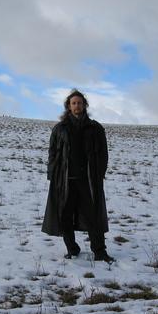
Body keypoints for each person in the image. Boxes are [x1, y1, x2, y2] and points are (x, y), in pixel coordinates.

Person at [41, 89, 115, 263]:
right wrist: (52, 174)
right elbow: (52, 153)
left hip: (88, 180)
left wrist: (99, 174)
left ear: (84, 105)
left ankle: (99, 251)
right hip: (65, 180)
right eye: (73, 103)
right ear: (68, 106)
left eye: (80, 103)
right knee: (65, 215)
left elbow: (103, 153)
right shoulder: (60, 129)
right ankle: (72, 248)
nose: (77, 106)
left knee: (93, 216)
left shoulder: (95, 128)